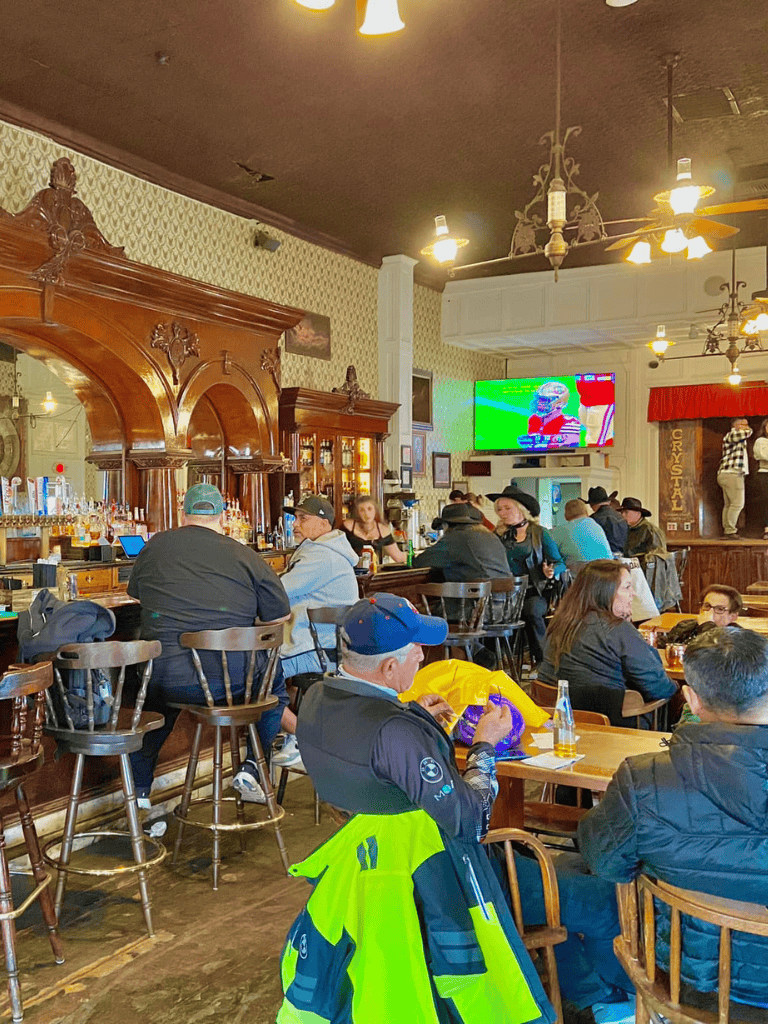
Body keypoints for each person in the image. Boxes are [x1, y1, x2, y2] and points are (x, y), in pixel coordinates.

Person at [278, 594, 555, 1024]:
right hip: (428, 874)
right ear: (390, 667)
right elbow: (471, 820)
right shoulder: (395, 731)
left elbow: (365, 743)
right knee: (577, 893)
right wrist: (484, 744)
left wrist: (414, 716)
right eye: (415, 651)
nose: (424, 656)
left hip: (357, 863)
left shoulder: (315, 697)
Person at [579, 626, 768, 1012]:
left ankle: (609, 1005)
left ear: (691, 699)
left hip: (692, 985)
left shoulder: (643, 779)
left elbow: (605, 863)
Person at [126, 483, 290, 807]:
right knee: (275, 686)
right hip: (230, 683)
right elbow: (280, 616)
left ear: (182, 514)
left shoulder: (155, 546)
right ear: (223, 517)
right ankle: (253, 766)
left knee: (155, 705)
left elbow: (136, 596)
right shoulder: (244, 554)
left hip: (163, 677)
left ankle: (139, 794)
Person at [270, 495, 359, 772]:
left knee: (255, 679)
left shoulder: (322, 555)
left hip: (317, 652)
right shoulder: (324, 550)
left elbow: (278, 593)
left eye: (302, 519)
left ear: (323, 524)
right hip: (325, 648)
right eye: (295, 518)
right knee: (267, 679)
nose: (294, 524)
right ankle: (282, 743)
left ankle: (302, 737)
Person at [538, 559, 676, 726]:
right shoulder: (617, 629)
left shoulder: (559, 624)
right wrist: (677, 688)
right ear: (606, 592)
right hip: (616, 727)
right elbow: (659, 687)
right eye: (627, 587)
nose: (633, 593)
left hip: (560, 725)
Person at [488, 485, 566, 667]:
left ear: (521, 510)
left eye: (507, 508)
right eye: (499, 509)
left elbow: (560, 562)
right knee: (489, 616)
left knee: (531, 611)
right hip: (505, 594)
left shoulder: (539, 533)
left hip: (535, 591)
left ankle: (544, 663)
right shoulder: (498, 535)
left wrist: (551, 571)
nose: (502, 513)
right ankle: (495, 663)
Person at [413, 503, 512, 584]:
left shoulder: (455, 537)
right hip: (506, 599)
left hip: (474, 599)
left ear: (446, 525)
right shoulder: (490, 536)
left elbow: (419, 562)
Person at [619, 496, 682, 612]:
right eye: (622, 512)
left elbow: (659, 556)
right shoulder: (627, 529)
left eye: (626, 512)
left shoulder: (650, 530)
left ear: (638, 514)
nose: (623, 515)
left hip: (647, 573)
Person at [551, 498, 612, 570]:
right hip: (608, 570)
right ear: (586, 512)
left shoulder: (560, 531)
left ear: (565, 515)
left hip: (581, 573)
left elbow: (550, 550)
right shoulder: (596, 526)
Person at [342, 495, 406, 563]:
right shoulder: (348, 526)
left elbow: (399, 557)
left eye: (369, 509)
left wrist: (412, 557)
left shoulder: (383, 531)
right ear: (357, 512)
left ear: (375, 510)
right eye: (362, 510)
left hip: (374, 568)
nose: (366, 514)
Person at [717, 416, 752, 538]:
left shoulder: (736, 437)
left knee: (729, 504)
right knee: (738, 504)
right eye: (744, 424)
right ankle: (730, 530)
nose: (747, 427)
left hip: (728, 473)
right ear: (736, 426)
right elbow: (747, 433)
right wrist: (748, 429)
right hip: (732, 473)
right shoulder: (732, 434)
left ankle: (728, 529)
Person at [588, 486, 627, 556]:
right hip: (622, 557)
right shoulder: (621, 517)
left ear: (592, 505)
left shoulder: (592, 520)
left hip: (603, 558)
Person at [753, 417, 768, 539]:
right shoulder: (761, 441)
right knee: (766, 502)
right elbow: (761, 455)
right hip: (765, 473)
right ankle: (767, 529)